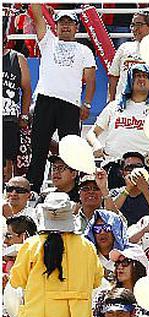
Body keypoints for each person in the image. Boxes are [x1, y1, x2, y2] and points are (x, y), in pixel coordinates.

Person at [24, 6, 96, 192]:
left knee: (71, 150)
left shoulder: (84, 50)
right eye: (61, 23)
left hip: (70, 104)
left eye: (69, 23)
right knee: (38, 147)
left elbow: (90, 78)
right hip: (45, 100)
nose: (65, 26)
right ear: (55, 26)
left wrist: (87, 103)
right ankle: (33, 188)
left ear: (76, 27)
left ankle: (71, 191)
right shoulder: (48, 42)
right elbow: (38, 16)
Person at [2, 46, 30, 178]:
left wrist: (24, 115)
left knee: (7, 163)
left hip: (9, 117)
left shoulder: (17, 58)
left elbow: (26, 89)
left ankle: (6, 192)